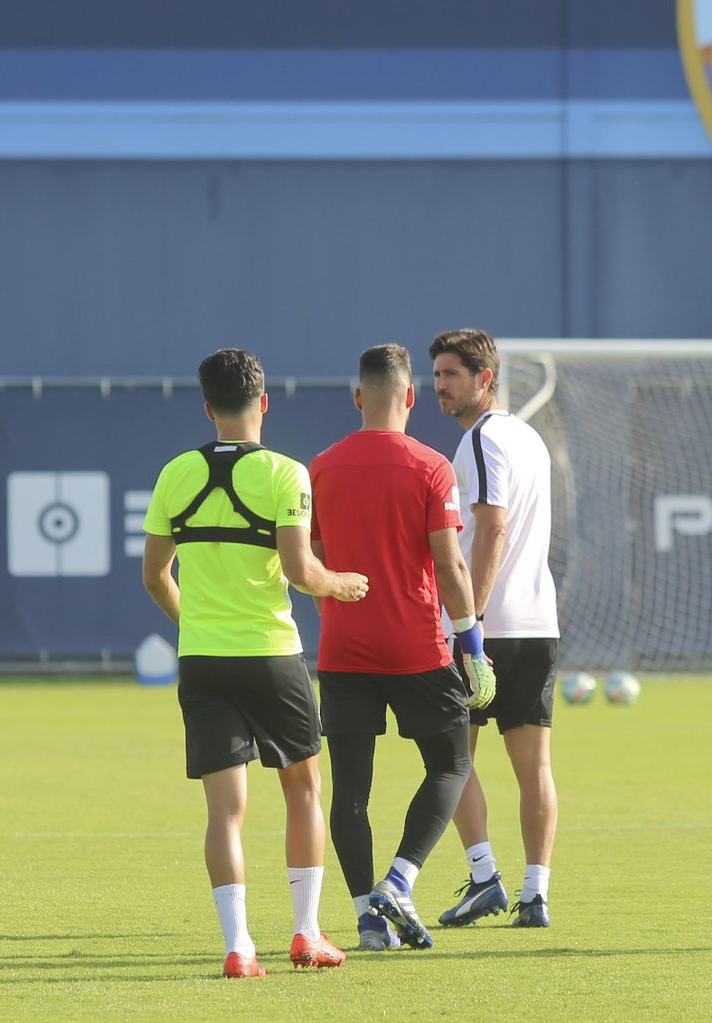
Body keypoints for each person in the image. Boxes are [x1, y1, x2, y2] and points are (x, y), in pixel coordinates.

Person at [141, 348, 368, 977]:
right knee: (303, 789)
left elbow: (155, 577)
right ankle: (305, 933)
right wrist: (340, 583)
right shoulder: (286, 474)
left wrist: (197, 623)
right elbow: (301, 572)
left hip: (203, 661)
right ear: (264, 402)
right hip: (271, 656)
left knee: (225, 810)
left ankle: (239, 947)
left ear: (209, 408)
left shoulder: (174, 474)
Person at [309, 343, 496, 952]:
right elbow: (450, 566)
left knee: (351, 791)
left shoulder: (321, 467)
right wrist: (472, 643)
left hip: (343, 651)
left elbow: (307, 564)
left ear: (359, 397)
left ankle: (368, 918)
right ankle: (401, 878)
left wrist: (335, 611)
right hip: (416, 647)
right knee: (451, 764)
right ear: (411, 397)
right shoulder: (430, 465)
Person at [429, 328, 562, 929]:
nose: (439, 386)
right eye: (435, 376)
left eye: (451, 375)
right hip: (537, 620)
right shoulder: (529, 437)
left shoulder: (481, 440)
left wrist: (470, 622)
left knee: (450, 758)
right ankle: (535, 895)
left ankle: (485, 877)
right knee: (533, 766)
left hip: (489, 627)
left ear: (485, 379)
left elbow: (492, 530)